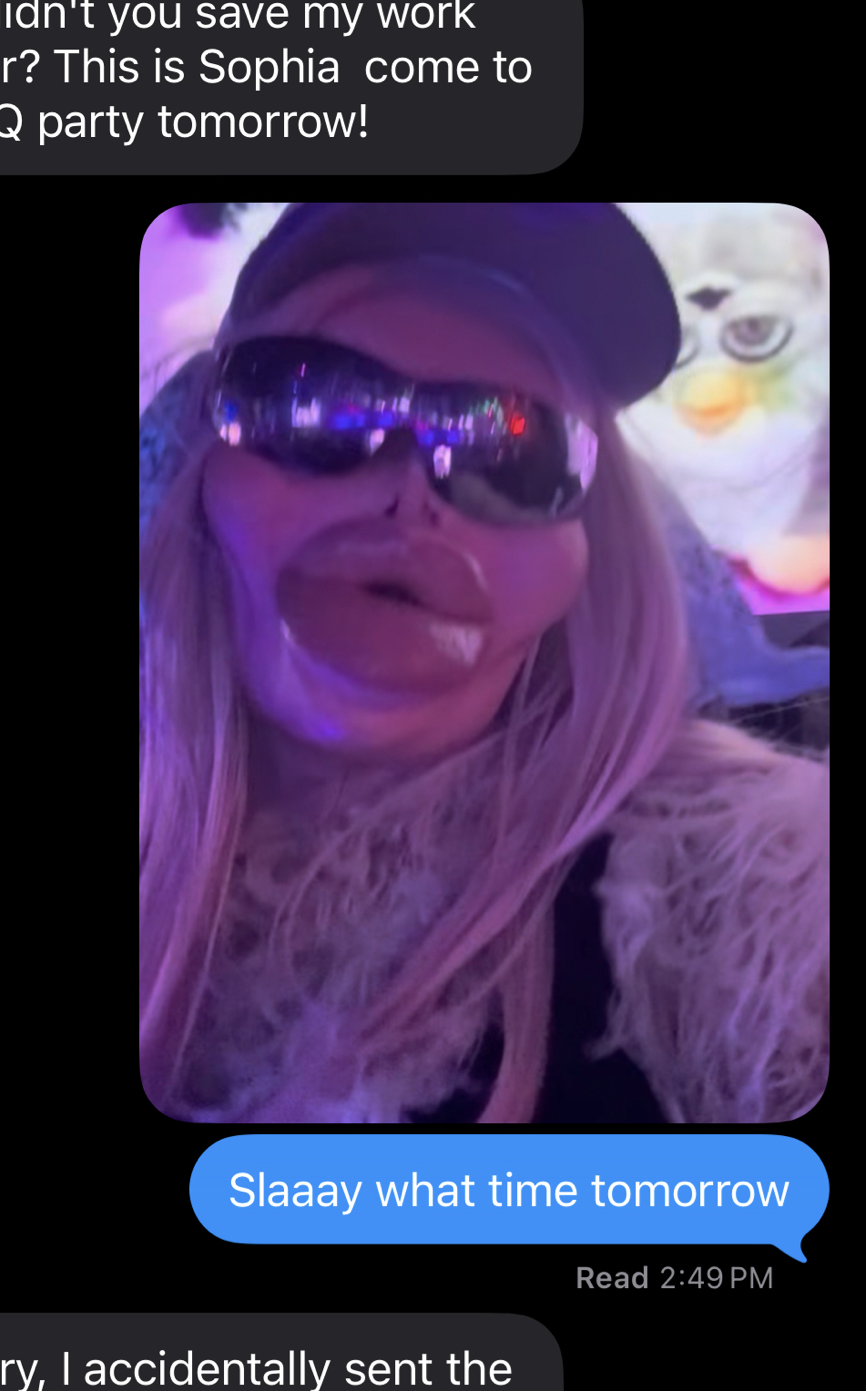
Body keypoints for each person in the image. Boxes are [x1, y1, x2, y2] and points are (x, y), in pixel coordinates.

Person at [139, 203, 828, 1125]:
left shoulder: (735, 892)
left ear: (588, 556)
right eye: (317, 405)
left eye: (512, 451)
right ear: (197, 477)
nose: (407, 494)